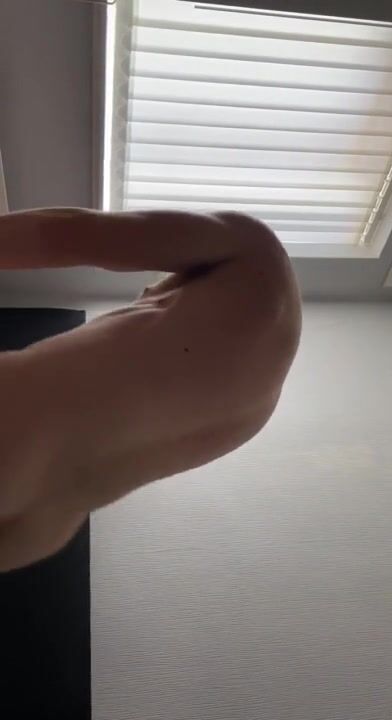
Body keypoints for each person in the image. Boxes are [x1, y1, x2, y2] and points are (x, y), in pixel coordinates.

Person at [0, 208, 302, 571]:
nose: (143, 295)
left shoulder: (255, 249)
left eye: (151, 293)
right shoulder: (255, 414)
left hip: (15, 423)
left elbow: (64, 234)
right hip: (38, 533)